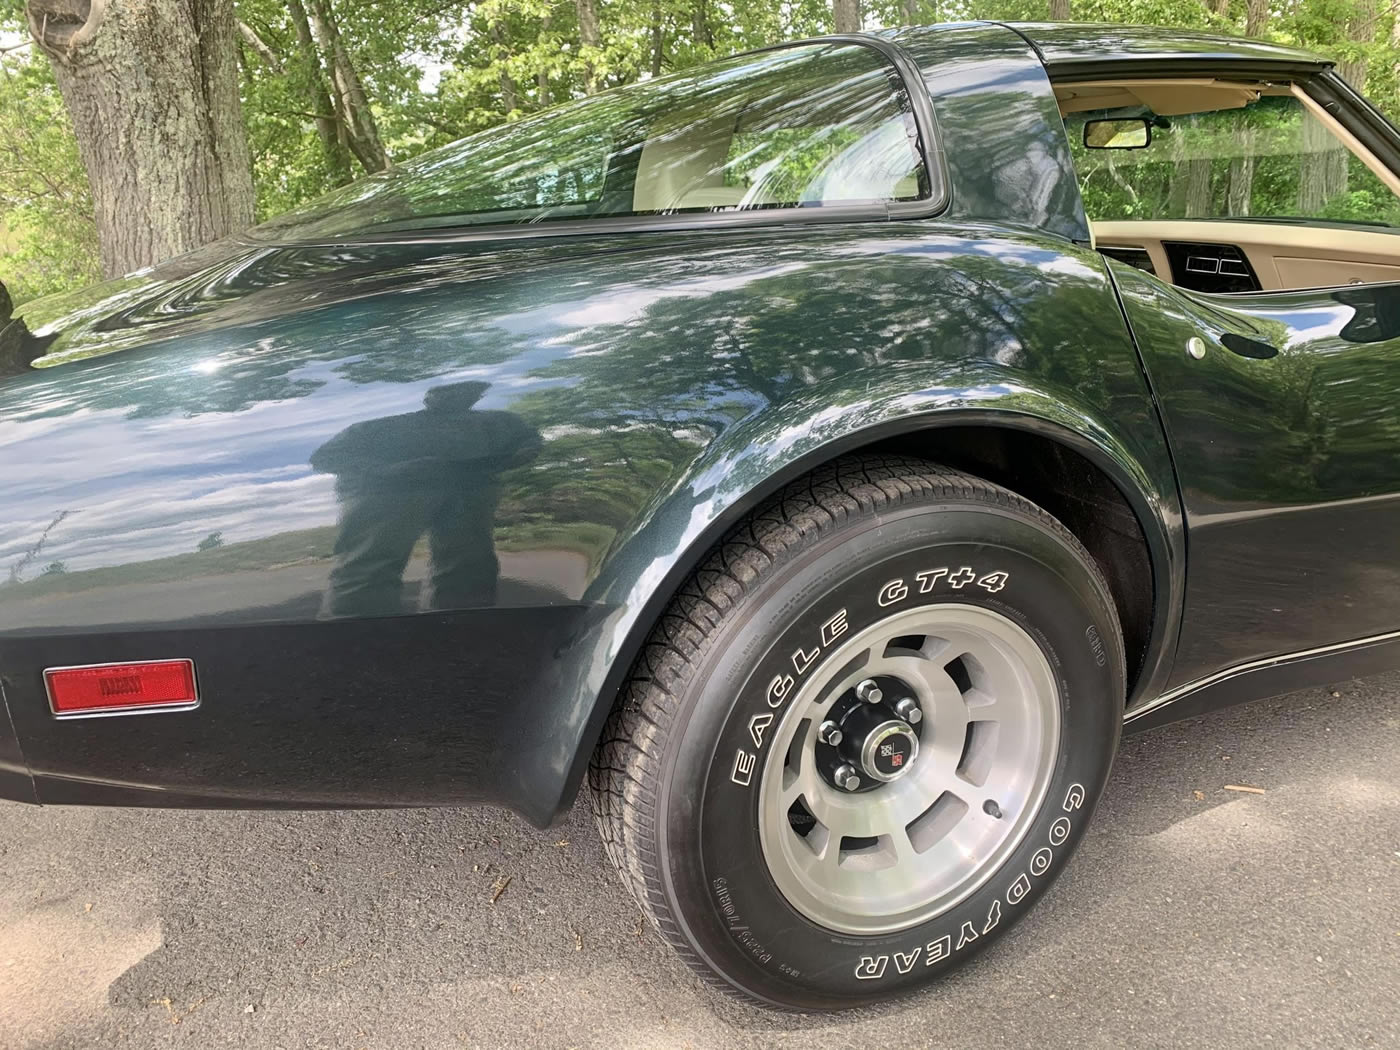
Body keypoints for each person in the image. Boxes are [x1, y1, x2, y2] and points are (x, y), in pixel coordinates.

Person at [311, 381, 541, 617]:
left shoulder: (500, 422)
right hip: (389, 495)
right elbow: (325, 456)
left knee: (469, 565)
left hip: (469, 491)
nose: (458, 395)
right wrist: (389, 470)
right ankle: (353, 633)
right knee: (370, 566)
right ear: (428, 395)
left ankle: (461, 627)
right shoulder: (381, 426)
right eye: (446, 390)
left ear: (478, 395)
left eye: (471, 390)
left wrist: (511, 458)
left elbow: (529, 441)